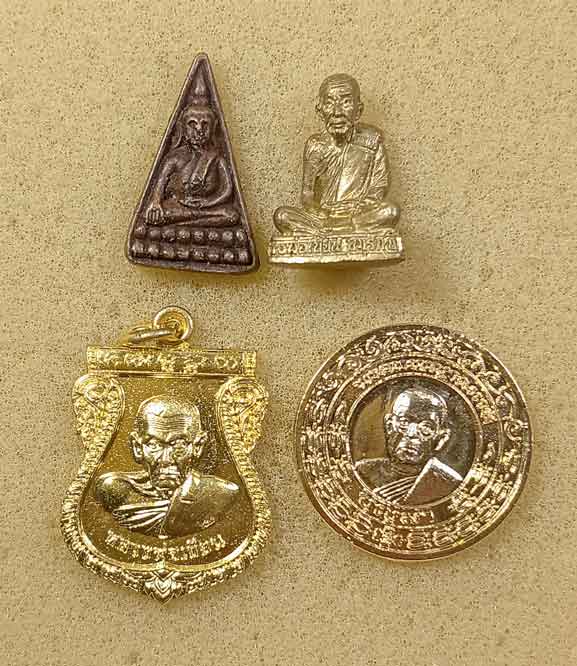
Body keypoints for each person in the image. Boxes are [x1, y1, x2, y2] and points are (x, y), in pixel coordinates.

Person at [95, 395, 239, 538]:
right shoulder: (116, 491)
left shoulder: (219, 494)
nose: (165, 459)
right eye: (154, 445)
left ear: (198, 446)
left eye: (179, 445)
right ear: (137, 447)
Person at [273, 73, 400, 236]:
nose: (337, 112)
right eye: (329, 103)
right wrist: (321, 213)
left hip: (357, 214)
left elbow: (379, 187)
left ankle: (332, 233)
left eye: (346, 102)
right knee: (282, 216)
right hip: (325, 216)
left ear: (358, 110)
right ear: (320, 111)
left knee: (391, 211)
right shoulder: (315, 145)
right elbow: (307, 196)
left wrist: (358, 207)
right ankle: (335, 231)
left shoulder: (372, 141)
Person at [145, 72, 238, 227]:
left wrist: (207, 203)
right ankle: (193, 224)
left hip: (208, 208)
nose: (199, 130)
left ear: (213, 128)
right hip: (179, 207)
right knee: (161, 213)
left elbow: (227, 190)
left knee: (231, 215)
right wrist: (155, 203)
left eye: (205, 124)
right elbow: (159, 186)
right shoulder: (174, 158)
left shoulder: (216, 158)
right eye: (192, 124)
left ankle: (183, 226)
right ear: (182, 128)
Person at [356, 387, 463, 505]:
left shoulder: (447, 482)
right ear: (389, 426)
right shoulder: (363, 471)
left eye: (426, 427)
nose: (411, 434)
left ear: (441, 438)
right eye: (404, 422)